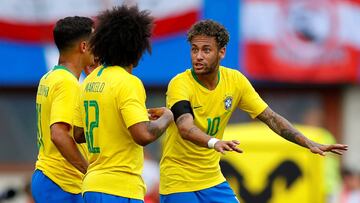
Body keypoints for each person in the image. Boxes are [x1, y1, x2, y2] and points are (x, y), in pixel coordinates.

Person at [159, 19, 348, 203]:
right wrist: (214, 142)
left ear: (221, 52)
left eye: (206, 50)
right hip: (178, 180)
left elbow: (271, 118)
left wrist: (307, 142)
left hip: (211, 179)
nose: (198, 56)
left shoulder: (235, 81)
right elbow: (184, 128)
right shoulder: (179, 84)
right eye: (194, 49)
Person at [72, 5, 173, 203]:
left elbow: (78, 134)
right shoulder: (128, 82)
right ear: (137, 48)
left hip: (92, 186)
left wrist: (125, 117)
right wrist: (167, 117)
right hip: (120, 189)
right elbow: (143, 135)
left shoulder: (90, 81)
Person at [31, 16, 95, 203]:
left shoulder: (49, 77)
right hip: (61, 181)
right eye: (95, 42)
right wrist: (89, 171)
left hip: (48, 176)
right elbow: (58, 134)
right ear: (83, 47)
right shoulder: (68, 83)